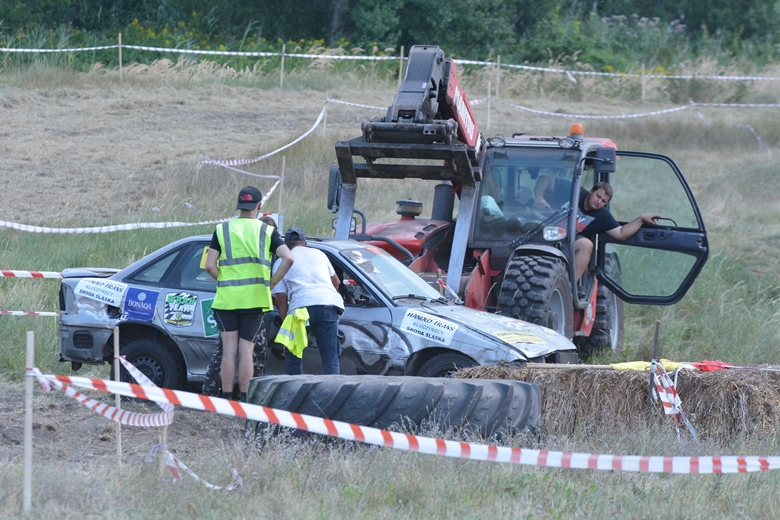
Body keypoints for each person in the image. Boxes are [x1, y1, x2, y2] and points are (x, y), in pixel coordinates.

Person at [205, 186, 294, 402]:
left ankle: (227, 399)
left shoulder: (222, 229)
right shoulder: (267, 231)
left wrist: (225, 281)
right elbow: (289, 258)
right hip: (254, 299)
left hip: (227, 300)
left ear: (239, 205)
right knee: (247, 350)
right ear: (259, 206)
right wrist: (270, 284)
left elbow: (209, 265)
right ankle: (244, 401)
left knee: (228, 351)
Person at [272, 228, 344, 375]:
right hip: (328, 306)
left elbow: (280, 300)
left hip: (301, 309)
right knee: (330, 357)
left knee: (294, 355)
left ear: (285, 245)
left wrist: (287, 330)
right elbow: (336, 283)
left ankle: (294, 387)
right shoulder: (319, 254)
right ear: (304, 243)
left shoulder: (281, 262)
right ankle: (333, 387)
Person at [574, 182, 660, 282]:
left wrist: (641, 219)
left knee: (586, 245)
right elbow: (556, 184)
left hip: (569, 242)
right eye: (598, 196)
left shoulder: (602, 215)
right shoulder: (574, 192)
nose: (599, 202)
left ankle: (569, 287)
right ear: (591, 191)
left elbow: (621, 233)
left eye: (603, 201)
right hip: (556, 234)